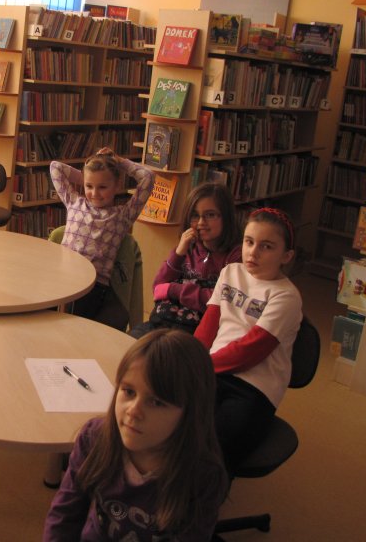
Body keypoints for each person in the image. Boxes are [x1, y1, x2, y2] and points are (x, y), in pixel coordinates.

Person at [43, 329, 227, 541]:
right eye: (129, 391)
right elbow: (64, 516)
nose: (133, 410)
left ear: (190, 413)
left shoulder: (203, 474)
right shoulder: (93, 438)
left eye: (156, 402)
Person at [193, 207, 302, 475]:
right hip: (213, 370)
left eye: (266, 246)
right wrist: (191, 357)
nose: (253, 252)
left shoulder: (286, 296)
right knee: (174, 423)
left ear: (286, 256)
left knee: (216, 449)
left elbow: (251, 350)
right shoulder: (231, 272)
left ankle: (204, 495)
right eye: (249, 242)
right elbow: (209, 324)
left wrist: (202, 365)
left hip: (253, 387)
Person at [50, 148, 154, 329]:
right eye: (89, 186)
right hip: (63, 276)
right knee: (44, 314)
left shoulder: (123, 216)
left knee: (72, 327)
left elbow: (148, 178)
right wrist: (86, 174)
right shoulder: (74, 202)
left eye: (103, 187)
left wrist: (120, 161)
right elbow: (55, 167)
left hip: (92, 286)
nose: (95, 193)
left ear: (117, 185)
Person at [129, 182, 241, 339]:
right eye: (195, 215)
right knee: (129, 341)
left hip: (196, 331)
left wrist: (175, 290)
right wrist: (178, 253)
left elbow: (222, 301)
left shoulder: (236, 257)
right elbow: (158, 288)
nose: (201, 222)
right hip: (165, 321)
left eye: (210, 215)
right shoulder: (188, 247)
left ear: (226, 217)